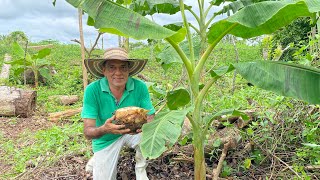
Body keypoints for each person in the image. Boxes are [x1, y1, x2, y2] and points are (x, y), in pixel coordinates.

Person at [81, 47, 155, 180]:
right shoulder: (92, 90)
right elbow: (88, 132)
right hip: (106, 139)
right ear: (103, 70)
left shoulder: (140, 87)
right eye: (111, 67)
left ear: (129, 70)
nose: (118, 72)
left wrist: (142, 127)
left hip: (134, 133)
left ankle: (140, 167)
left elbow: (151, 117)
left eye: (123, 67)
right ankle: (98, 158)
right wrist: (104, 129)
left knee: (151, 135)